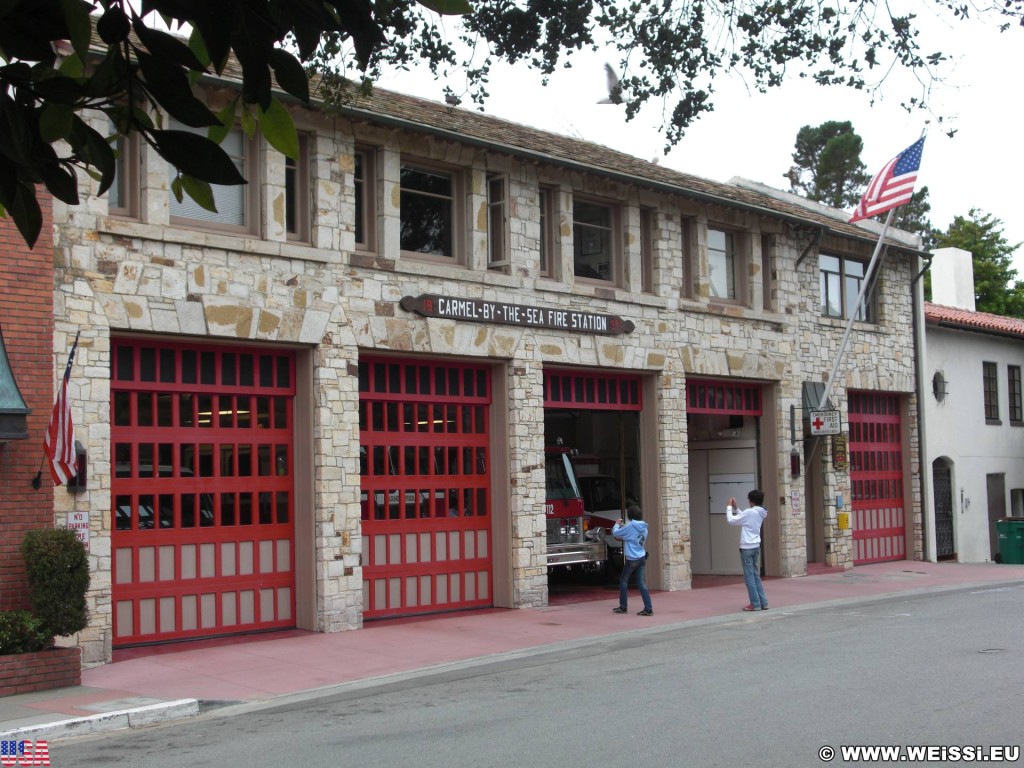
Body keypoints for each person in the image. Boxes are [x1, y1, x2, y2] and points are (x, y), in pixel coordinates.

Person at [725, 489, 769, 611]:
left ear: (751, 500)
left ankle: (755, 604)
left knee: (749, 577)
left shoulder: (750, 512)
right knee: (755, 576)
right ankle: (763, 602)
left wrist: (729, 507)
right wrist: (736, 508)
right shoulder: (760, 512)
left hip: (747, 548)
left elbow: (732, 520)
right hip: (755, 546)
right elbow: (744, 517)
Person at [611, 504, 653, 616]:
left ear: (630, 515)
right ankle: (648, 608)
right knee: (641, 583)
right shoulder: (644, 527)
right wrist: (626, 529)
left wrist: (616, 525)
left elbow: (616, 533)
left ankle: (623, 607)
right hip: (641, 557)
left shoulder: (630, 526)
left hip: (632, 559)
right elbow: (633, 535)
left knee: (623, 581)